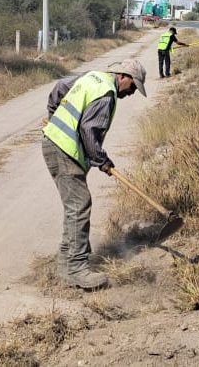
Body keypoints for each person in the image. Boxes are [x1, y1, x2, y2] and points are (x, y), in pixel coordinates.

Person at [41, 58, 147, 290]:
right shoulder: (107, 93)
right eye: (133, 87)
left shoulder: (92, 77)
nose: (131, 93)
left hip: (53, 144)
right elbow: (89, 129)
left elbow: (59, 87)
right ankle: (77, 269)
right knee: (79, 205)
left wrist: (52, 117)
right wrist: (102, 160)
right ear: (123, 77)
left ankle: (65, 262)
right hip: (63, 149)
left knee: (74, 206)